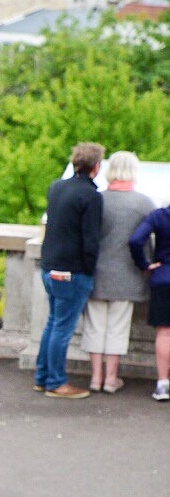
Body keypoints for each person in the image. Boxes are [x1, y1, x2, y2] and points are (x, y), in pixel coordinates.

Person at [35, 142, 106, 398]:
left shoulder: (57, 187)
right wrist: (88, 270)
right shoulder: (91, 197)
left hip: (50, 266)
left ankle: (43, 376)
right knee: (62, 328)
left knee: (53, 323)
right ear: (96, 167)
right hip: (72, 271)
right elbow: (91, 240)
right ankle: (55, 382)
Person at [82, 151, 154, 394]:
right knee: (118, 328)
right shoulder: (144, 203)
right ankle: (111, 379)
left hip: (97, 273)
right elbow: (148, 243)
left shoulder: (97, 200)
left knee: (94, 325)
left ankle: (95, 377)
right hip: (128, 275)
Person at [128, 200, 170, 401]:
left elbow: (136, 240)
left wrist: (144, 264)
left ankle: (163, 384)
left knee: (164, 332)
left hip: (163, 278)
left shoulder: (160, 215)